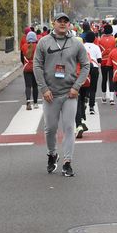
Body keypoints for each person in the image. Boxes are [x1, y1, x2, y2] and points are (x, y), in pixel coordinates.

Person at [33, 12, 90, 178]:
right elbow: (37, 66)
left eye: (66, 21)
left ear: (69, 24)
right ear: (54, 23)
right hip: (50, 93)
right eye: (60, 21)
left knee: (69, 127)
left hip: (69, 93)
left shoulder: (76, 43)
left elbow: (85, 65)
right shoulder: (44, 42)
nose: (63, 24)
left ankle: (67, 162)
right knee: (50, 128)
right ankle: (52, 154)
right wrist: (44, 89)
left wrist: (76, 86)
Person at [83, 31, 101, 115]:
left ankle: (84, 100)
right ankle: (91, 107)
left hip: (85, 68)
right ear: (94, 39)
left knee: (85, 85)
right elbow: (99, 60)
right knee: (93, 88)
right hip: (94, 67)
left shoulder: (82, 46)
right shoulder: (96, 47)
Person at [98, 25, 116, 105]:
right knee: (111, 79)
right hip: (111, 61)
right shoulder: (114, 39)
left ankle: (104, 97)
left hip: (103, 61)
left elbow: (99, 50)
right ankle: (112, 98)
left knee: (104, 79)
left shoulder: (100, 40)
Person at [22, 31, 39, 110]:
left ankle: (28, 101)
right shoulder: (37, 46)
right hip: (35, 68)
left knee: (28, 86)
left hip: (26, 68)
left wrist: (25, 64)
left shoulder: (24, 46)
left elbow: (21, 59)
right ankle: (35, 103)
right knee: (35, 86)